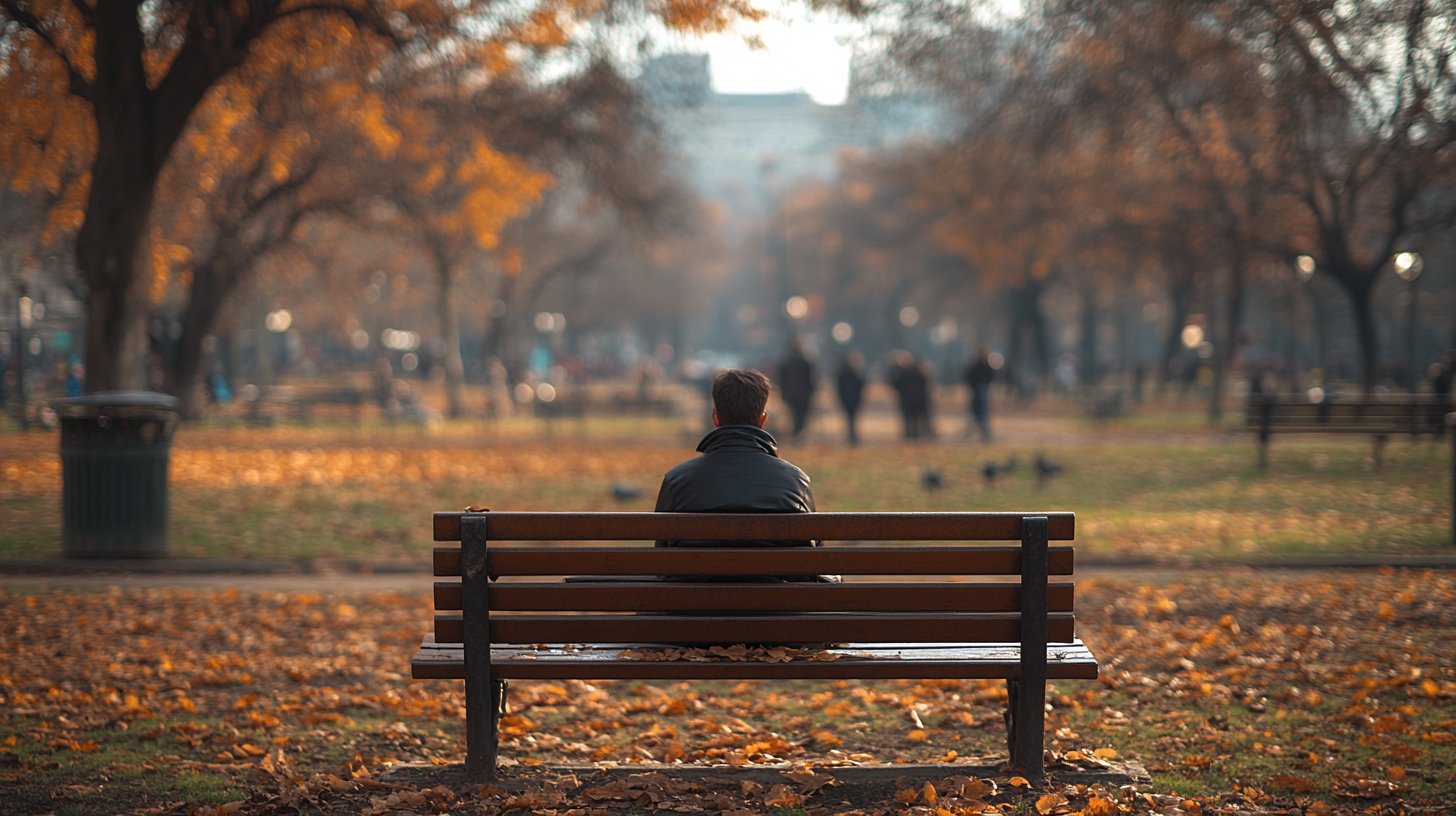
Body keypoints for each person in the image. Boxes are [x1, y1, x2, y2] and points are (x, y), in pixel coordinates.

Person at [654, 368, 835, 582]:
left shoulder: (677, 480)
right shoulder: (795, 481)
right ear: (762, 419)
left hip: (692, 608)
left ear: (715, 417)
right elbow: (813, 557)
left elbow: (661, 560)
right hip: (778, 611)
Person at [776, 340, 816, 440]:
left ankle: (796, 432)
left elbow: (781, 379)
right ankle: (799, 432)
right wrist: (812, 391)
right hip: (804, 393)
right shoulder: (806, 362)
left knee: (794, 413)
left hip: (791, 393)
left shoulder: (786, 362)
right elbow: (811, 378)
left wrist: (783, 392)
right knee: (802, 414)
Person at [963, 344, 995, 443]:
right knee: (979, 413)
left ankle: (981, 433)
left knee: (979, 413)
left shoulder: (983, 365)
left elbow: (991, 377)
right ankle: (982, 433)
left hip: (981, 390)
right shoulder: (980, 365)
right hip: (979, 390)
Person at [834, 352, 866, 446]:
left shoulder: (845, 373)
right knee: (850, 418)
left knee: (852, 418)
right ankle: (851, 435)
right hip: (850, 399)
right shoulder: (850, 373)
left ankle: (852, 435)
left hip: (852, 399)